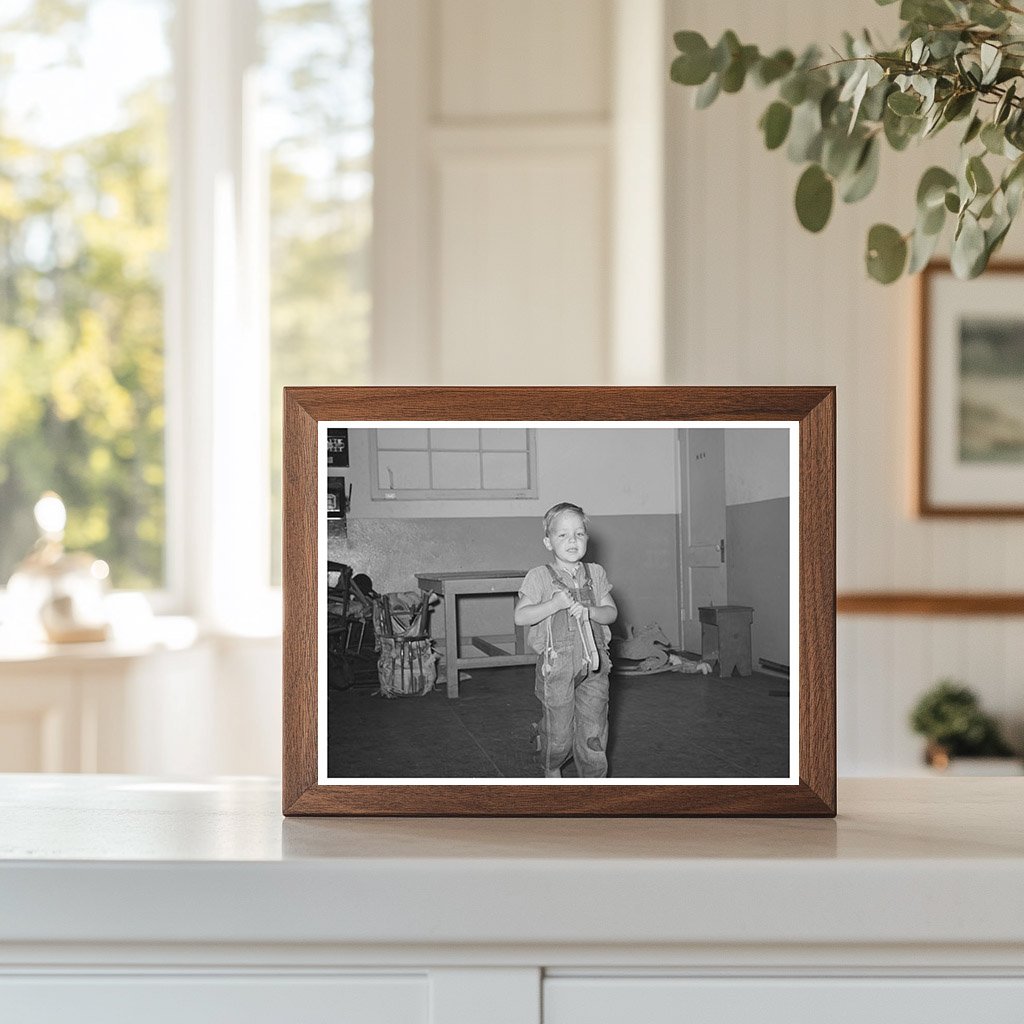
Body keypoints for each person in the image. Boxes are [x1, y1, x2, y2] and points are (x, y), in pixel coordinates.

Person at [514, 502, 618, 778]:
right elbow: (521, 617)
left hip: (595, 667)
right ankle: (551, 764)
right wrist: (554, 604)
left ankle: (593, 784)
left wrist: (590, 611)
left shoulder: (595, 573)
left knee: (594, 731)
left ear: (586, 538)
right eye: (562, 535)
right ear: (548, 541)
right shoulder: (538, 576)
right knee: (559, 734)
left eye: (579, 533)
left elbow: (611, 613)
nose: (572, 540)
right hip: (556, 668)